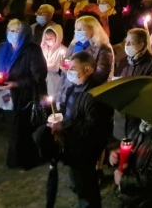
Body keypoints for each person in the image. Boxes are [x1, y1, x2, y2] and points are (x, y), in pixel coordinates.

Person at [47, 51, 113, 208]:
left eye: (74, 68)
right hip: (72, 144)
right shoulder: (74, 87)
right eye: (69, 68)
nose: (69, 71)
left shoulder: (95, 94)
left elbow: (92, 127)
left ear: (88, 70)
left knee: (87, 185)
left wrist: (62, 126)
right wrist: (58, 117)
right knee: (78, 183)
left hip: (85, 149)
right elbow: (68, 111)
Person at [0, 19, 47, 169]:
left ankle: (21, 161)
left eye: (16, 30)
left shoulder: (32, 50)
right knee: (12, 128)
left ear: (24, 32)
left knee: (21, 129)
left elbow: (39, 75)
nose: (13, 34)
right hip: (4, 97)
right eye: (10, 30)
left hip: (23, 97)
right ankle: (23, 158)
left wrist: (16, 84)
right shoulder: (0, 49)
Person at [110, 119, 152, 208]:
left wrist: (124, 180)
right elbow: (135, 151)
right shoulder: (140, 127)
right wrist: (119, 155)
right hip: (136, 197)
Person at [114, 28, 152, 140]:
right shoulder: (123, 62)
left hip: (136, 118)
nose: (126, 45)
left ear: (142, 45)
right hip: (120, 118)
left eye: (131, 43)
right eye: (126, 42)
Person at [67, 15, 115, 84]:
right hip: (71, 87)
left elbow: (101, 74)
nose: (77, 32)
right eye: (76, 29)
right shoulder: (74, 45)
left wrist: (83, 78)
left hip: (90, 88)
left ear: (92, 29)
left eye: (81, 29)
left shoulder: (103, 47)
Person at [40, 24, 67, 98]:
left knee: (53, 97)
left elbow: (66, 65)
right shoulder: (42, 48)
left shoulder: (64, 50)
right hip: (42, 78)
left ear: (57, 37)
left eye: (51, 38)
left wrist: (57, 66)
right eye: (46, 38)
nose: (48, 40)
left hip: (55, 80)